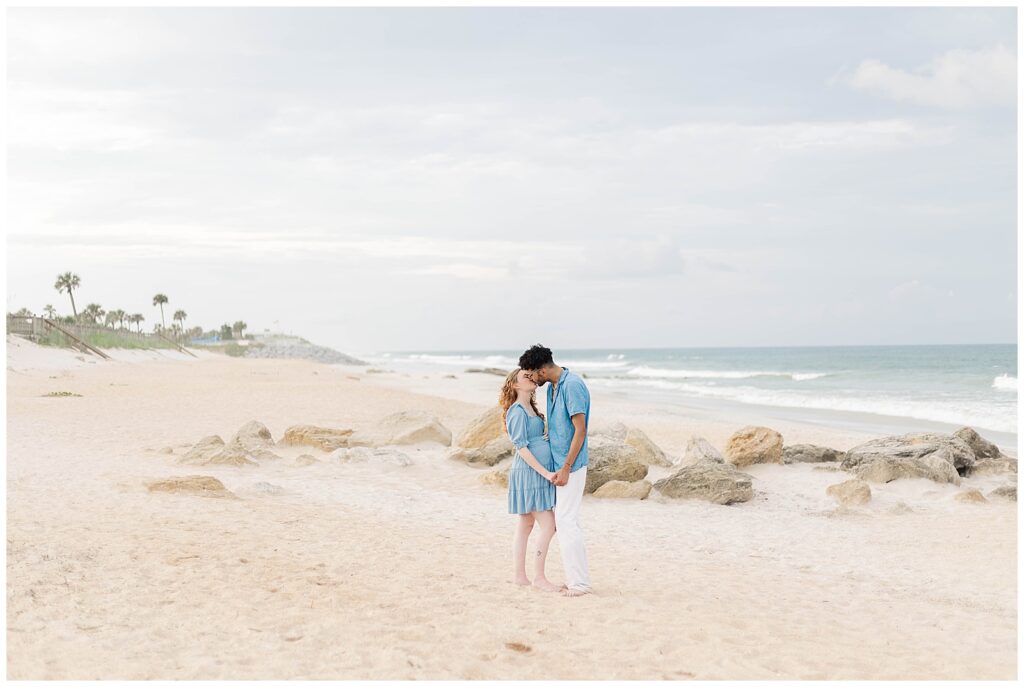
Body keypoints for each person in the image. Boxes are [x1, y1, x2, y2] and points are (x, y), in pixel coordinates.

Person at [518, 344, 592, 597]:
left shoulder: (572, 386)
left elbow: (580, 430)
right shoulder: (552, 388)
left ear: (542, 369)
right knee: (565, 520)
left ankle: (580, 584)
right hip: (559, 466)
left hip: (571, 466)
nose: (531, 379)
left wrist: (566, 467)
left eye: (531, 373)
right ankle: (577, 579)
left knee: (567, 520)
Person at [498, 368, 560, 592]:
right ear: (515, 385)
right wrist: (545, 473)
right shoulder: (516, 411)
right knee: (550, 525)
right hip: (529, 473)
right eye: (525, 376)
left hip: (535, 472)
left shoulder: (530, 408)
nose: (532, 378)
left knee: (525, 524)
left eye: (531, 375)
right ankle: (539, 577)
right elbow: (521, 447)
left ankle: (520, 577)